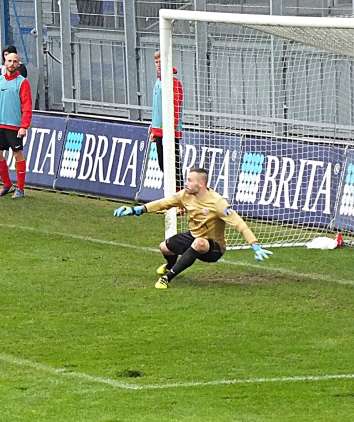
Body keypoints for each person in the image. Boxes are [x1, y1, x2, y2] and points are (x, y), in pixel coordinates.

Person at [113, 167, 272, 289]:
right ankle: (170, 265)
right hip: (194, 236)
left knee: (199, 243)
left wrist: (255, 245)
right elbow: (164, 203)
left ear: (201, 183)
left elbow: (239, 223)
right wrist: (136, 210)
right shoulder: (185, 195)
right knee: (164, 247)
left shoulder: (217, 202)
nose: (186, 183)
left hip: (214, 247)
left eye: (189, 180)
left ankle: (167, 277)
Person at [0, 50, 32, 199]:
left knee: (18, 156)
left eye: (14, 62)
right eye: (9, 61)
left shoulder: (23, 82)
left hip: (14, 127)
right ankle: (7, 185)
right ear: (5, 62)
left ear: (18, 65)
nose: (11, 64)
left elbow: (27, 106)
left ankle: (21, 189)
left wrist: (24, 126)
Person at [149, 50, 184, 188]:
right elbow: (157, 108)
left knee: (173, 166)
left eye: (160, 62)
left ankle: (180, 199)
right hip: (159, 131)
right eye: (156, 62)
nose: (158, 65)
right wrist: (153, 129)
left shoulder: (173, 82)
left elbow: (175, 107)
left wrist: (171, 128)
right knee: (163, 165)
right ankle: (175, 198)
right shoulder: (159, 81)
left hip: (169, 131)